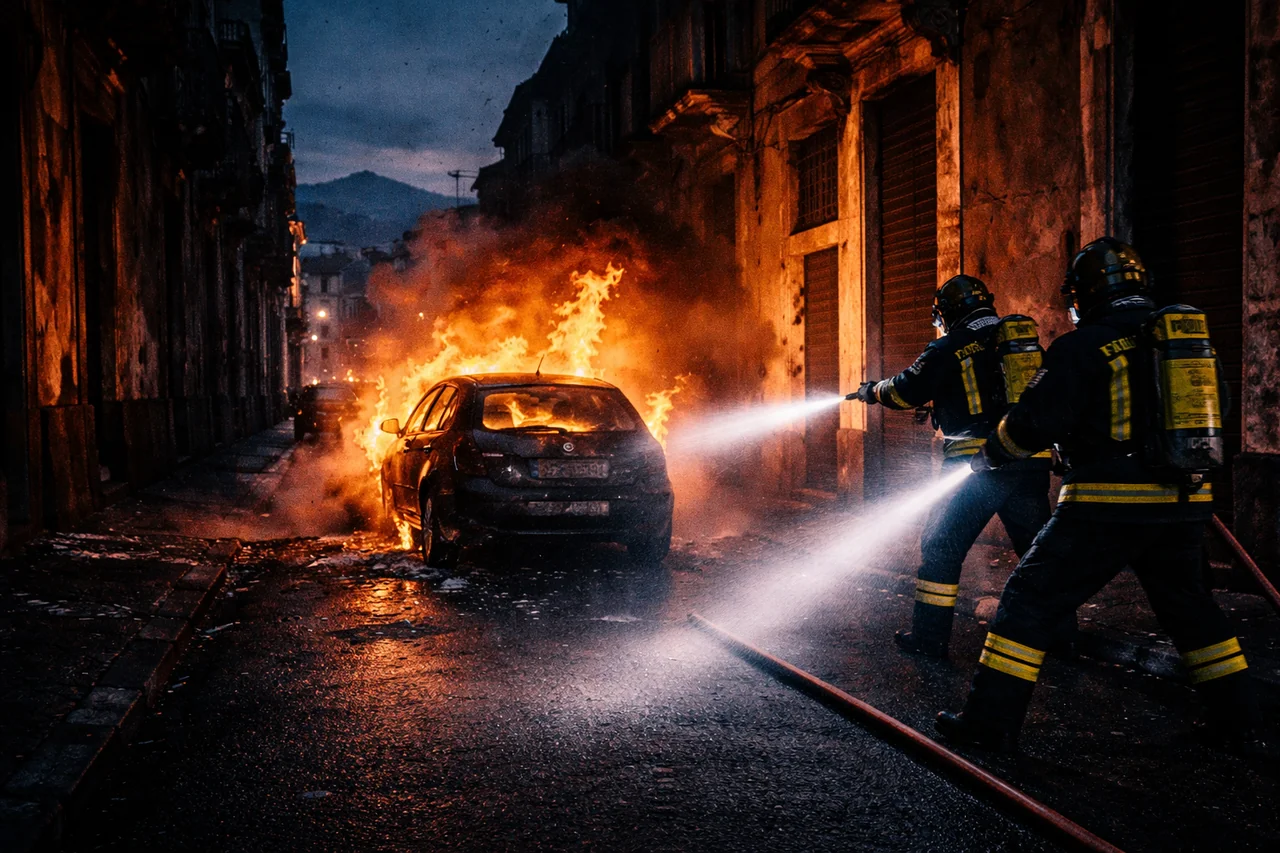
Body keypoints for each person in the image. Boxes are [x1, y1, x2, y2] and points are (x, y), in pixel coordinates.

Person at [935, 237, 1264, 755]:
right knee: (1192, 611)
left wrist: (991, 454)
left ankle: (988, 724)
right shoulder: (1179, 341)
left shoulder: (1082, 346)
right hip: (1182, 507)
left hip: (1104, 506)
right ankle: (1241, 719)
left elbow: (1033, 423)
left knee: (1027, 602)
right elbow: (1215, 410)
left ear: (1083, 295)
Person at [850, 275, 1053, 658]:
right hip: (1027, 464)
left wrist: (873, 391)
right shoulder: (1015, 342)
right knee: (1039, 553)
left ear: (948, 312)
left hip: (974, 467)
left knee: (942, 546)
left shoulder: (948, 347)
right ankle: (1061, 637)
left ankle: (929, 640)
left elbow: (905, 389)